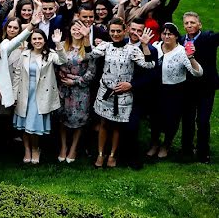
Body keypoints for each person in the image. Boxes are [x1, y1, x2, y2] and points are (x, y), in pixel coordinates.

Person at [90, 18, 155, 168]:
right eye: (112, 31)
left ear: (124, 30)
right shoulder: (105, 46)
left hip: (124, 95)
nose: (115, 34)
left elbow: (149, 65)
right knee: (104, 123)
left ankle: (112, 155)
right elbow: (89, 56)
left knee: (117, 126)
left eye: (118, 31)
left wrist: (144, 45)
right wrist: (88, 39)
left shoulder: (132, 49)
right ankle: (100, 154)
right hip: (105, 92)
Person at [12, 28, 66, 164]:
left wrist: (58, 44)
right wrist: (14, 95)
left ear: (44, 40)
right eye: (34, 39)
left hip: (40, 93)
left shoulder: (50, 54)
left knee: (34, 123)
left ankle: (36, 148)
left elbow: (63, 60)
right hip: (24, 93)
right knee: (24, 123)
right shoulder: (24, 54)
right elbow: (18, 74)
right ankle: (27, 150)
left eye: (40, 38)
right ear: (30, 40)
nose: (37, 41)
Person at [150, 22, 202, 159]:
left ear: (176, 36)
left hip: (174, 90)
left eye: (170, 34)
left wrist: (191, 58)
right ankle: (154, 143)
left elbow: (197, 73)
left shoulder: (181, 52)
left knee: (171, 119)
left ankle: (166, 145)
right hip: (156, 88)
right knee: (155, 118)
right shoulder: (156, 47)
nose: (166, 36)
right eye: (164, 33)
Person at [180, 11, 218, 164]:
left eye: (192, 22)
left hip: (206, 87)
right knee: (187, 119)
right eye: (187, 23)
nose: (189, 25)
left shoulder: (208, 37)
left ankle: (203, 152)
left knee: (202, 120)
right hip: (188, 87)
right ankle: (186, 150)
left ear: (199, 24)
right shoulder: (181, 40)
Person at [57, 18, 96, 163]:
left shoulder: (87, 48)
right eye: (74, 28)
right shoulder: (61, 45)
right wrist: (59, 73)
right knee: (62, 118)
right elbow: (56, 63)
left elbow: (91, 73)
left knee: (79, 120)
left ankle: (73, 148)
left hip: (80, 90)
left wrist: (75, 81)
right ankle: (63, 146)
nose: (76, 31)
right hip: (63, 89)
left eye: (80, 29)